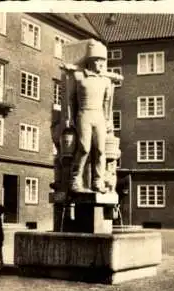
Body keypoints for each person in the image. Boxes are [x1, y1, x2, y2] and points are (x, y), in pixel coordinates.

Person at [69, 39, 113, 193]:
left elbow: (107, 103)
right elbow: (71, 100)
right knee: (84, 148)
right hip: (84, 113)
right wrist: (70, 118)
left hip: (99, 115)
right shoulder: (79, 76)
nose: (101, 63)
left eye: (103, 61)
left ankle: (97, 181)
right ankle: (75, 179)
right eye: (98, 60)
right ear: (91, 61)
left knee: (101, 150)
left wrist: (109, 120)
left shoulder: (106, 80)